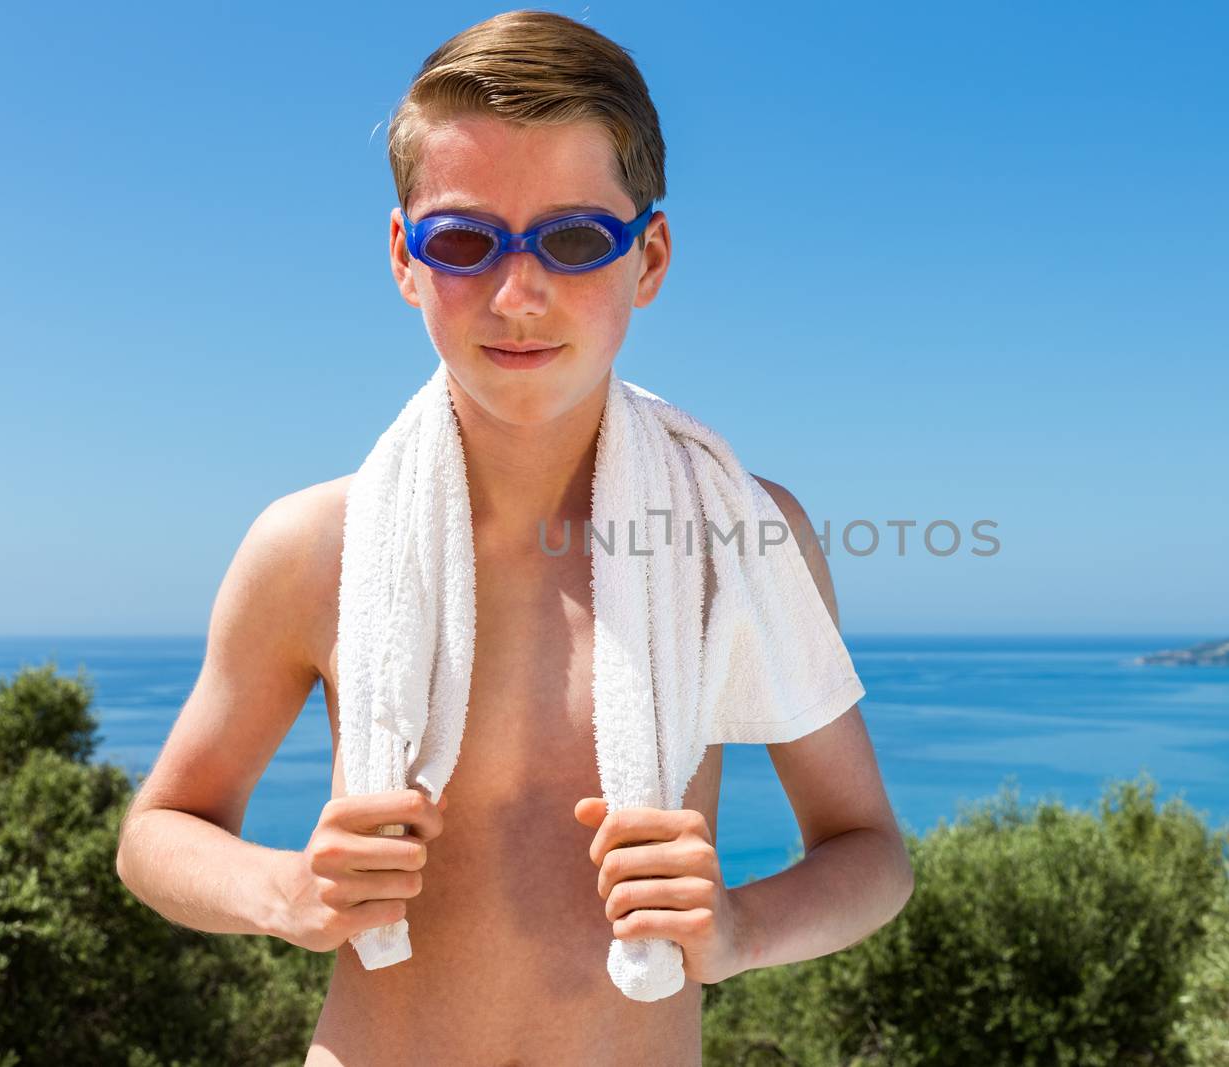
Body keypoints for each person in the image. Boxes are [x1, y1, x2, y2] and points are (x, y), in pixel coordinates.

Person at [114, 9, 913, 1064]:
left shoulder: (737, 533)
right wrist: (282, 889)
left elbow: (870, 853)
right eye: (463, 239)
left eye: (576, 238)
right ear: (405, 258)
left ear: (651, 256)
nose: (518, 291)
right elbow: (157, 831)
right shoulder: (313, 545)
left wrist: (742, 927)